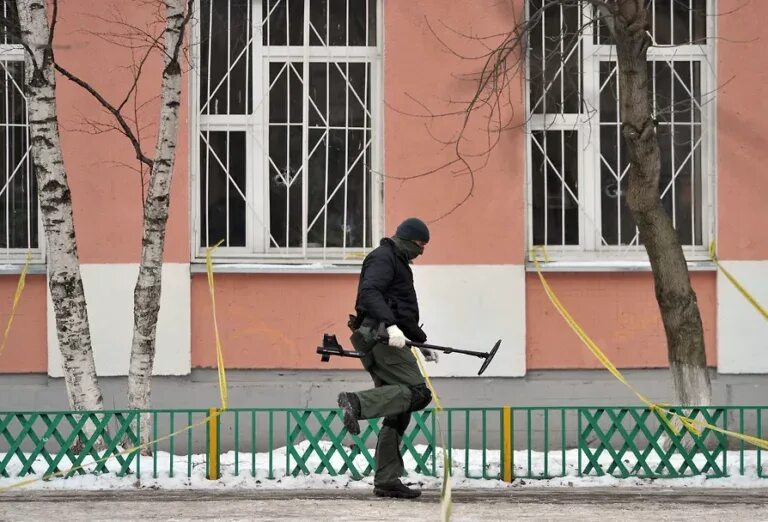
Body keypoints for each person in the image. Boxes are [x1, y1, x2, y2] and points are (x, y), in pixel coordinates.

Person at [337, 217, 437, 499]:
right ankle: (357, 402)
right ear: (406, 239)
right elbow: (369, 293)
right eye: (419, 245)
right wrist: (390, 326)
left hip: (383, 335)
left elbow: (401, 309)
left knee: (399, 412)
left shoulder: (398, 262)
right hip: (379, 336)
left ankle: (387, 479)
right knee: (418, 392)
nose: (421, 252)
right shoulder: (384, 257)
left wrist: (420, 342)